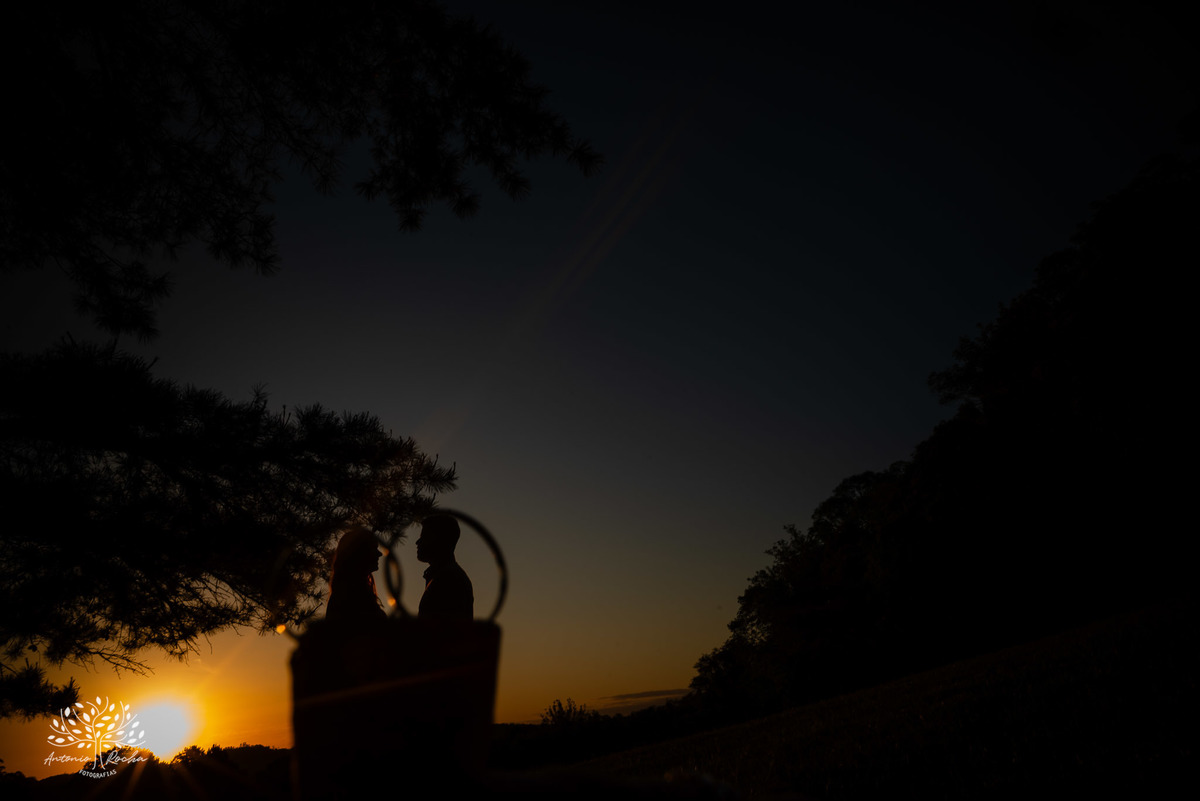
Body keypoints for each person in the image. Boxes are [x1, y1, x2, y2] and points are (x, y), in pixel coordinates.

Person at [416, 515, 474, 621]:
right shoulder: (445, 575)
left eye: (424, 536)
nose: (418, 542)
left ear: (441, 540)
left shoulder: (449, 579)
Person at [325, 526, 387, 624]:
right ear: (361, 552)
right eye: (374, 548)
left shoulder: (349, 592)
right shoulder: (350, 595)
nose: (380, 554)